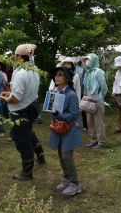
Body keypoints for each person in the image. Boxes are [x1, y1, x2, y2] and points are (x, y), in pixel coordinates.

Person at [0, 43, 46, 181]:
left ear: (19, 57)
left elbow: (16, 98)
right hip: (32, 106)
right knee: (28, 132)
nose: (13, 58)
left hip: (21, 111)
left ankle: (27, 172)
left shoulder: (19, 73)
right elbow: (25, 91)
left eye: (15, 55)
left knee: (22, 140)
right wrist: (9, 92)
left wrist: (5, 98)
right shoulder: (34, 69)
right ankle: (40, 153)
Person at [49, 66, 83, 196]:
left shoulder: (71, 94)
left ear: (67, 78)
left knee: (66, 155)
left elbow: (74, 114)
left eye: (60, 75)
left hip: (70, 129)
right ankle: (67, 178)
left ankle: (75, 184)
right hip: (59, 128)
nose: (57, 77)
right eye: (56, 75)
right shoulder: (55, 91)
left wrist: (60, 115)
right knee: (60, 154)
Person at [82, 53, 108, 148]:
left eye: (89, 59)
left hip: (97, 99)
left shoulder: (99, 71)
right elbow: (85, 86)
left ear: (94, 60)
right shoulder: (87, 72)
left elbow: (104, 87)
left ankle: (102, 142)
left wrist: (100, 98)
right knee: (90, 121)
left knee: (99, 122)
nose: (87, 62)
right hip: (88, 99)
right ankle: (93, 140)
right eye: (86, 60)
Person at [112, 56, 121, 134]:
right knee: (119, 111)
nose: (118, 66)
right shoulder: (117, 72)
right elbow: (115, 83)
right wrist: (114, 91)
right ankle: (119, 127)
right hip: (118, 94)